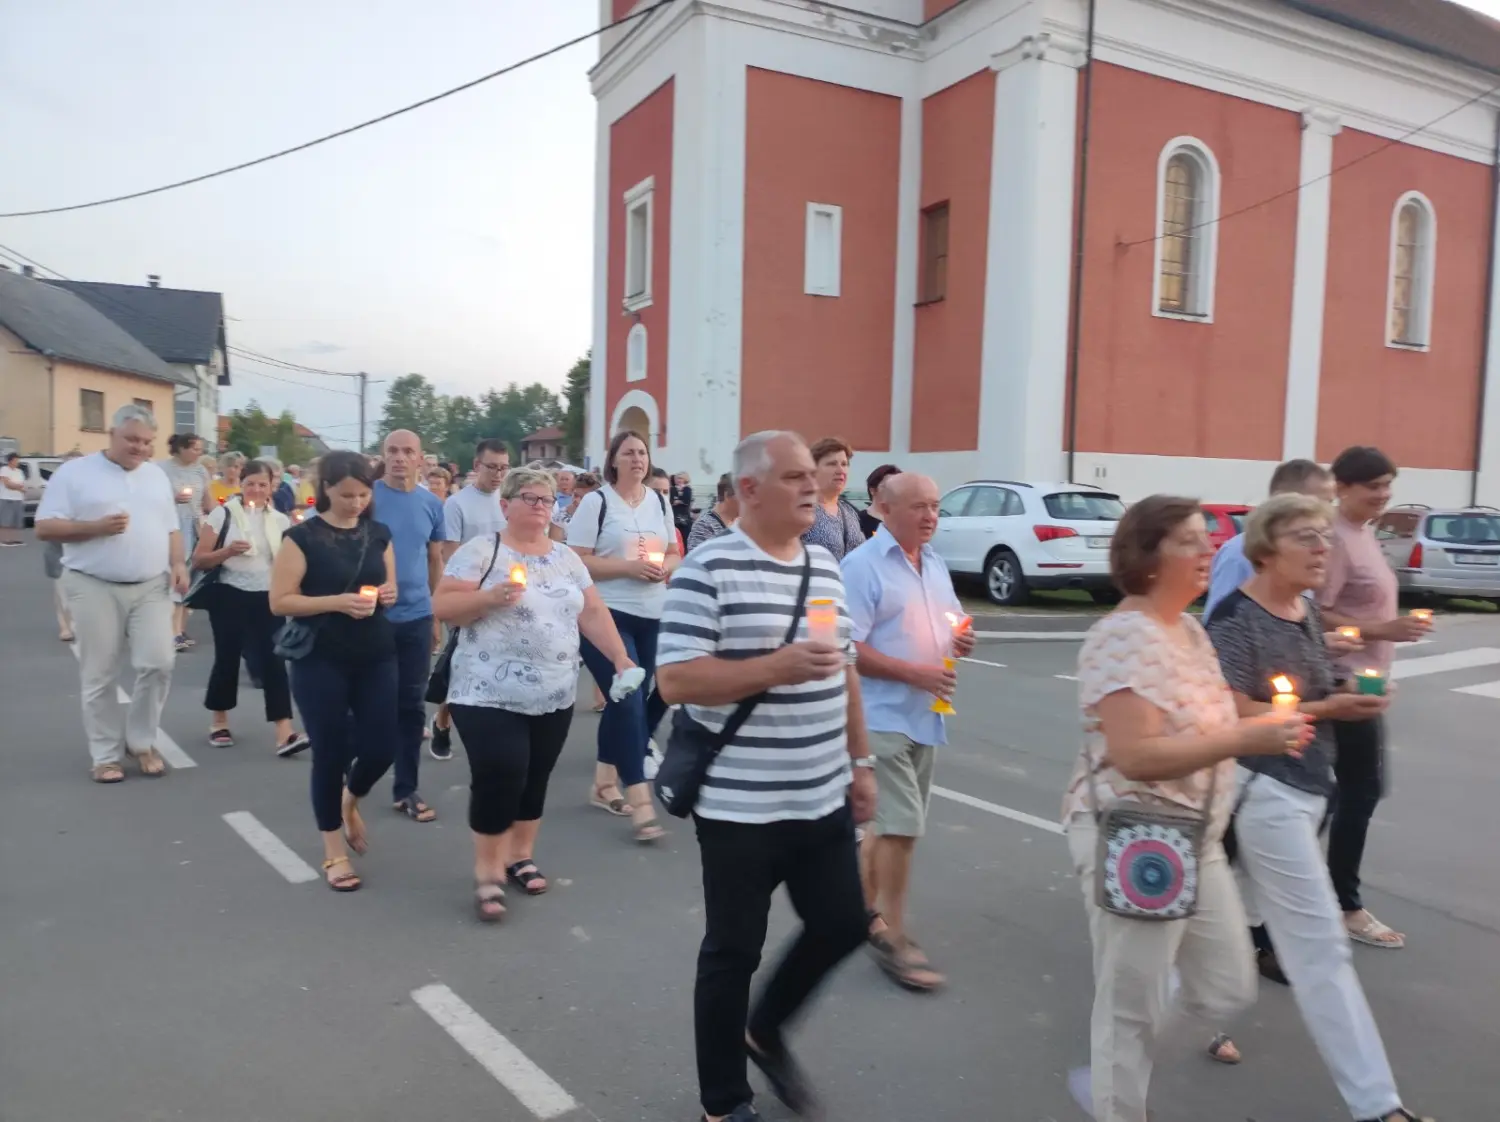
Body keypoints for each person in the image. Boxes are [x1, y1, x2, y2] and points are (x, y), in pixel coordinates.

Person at [1061, 495, 1309, 1122]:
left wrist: (1281, 720)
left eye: (1207, 539)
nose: (1208, 551)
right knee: (1131, 1005)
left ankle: (1112, 1073)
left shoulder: (1190, 629)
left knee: (1226, 981)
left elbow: (1217, 718)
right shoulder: (1121, 636)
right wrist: (1247, 739)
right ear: (1148, 556)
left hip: (1195, 837)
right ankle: (1118, 1097)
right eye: (1189, 542)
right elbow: (1136, 755)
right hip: (1136, 838)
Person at [657, 430, 877, 1122]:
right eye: (792, 477)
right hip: (739, 805)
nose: (812, 486)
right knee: (733, 952)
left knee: (844, 924)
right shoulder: (709, 567)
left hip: (820, 794)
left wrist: (860, 762)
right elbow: (675, 679)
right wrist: (772, 669)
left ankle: (765, 1025)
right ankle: (723, 1104)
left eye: (812, 474)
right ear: (749, 489)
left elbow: (843, 668)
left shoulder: (824, 567)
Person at [1206, 495, 1435, 1122]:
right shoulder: (1234, 617)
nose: (1321, 549)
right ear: (1265, 548)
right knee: (1319, 949)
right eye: (1305, 538)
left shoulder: (1302, 609)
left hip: (1306, 788)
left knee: (1219, 944)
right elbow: (1227, 710)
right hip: (1262, 789)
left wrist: (1348, 695)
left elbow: (1307, 685)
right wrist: (1324, 711)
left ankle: (1133, 1040)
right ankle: (1379, 1107)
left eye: (1323, 537)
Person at [433, 467, 639, 920]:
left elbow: (593, 611)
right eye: (530, 498)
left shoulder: (566, 557)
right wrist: (488, 599)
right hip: (485, 690)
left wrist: (620, 658)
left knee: (535, 775)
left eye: (547, 500)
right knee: (501, 770)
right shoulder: (482, 551)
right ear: (506, 506)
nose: (541, 506)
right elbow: (443, 604)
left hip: (554, 690)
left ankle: (519, 855)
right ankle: (488, 870)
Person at [841, 473, 974, 992]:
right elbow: (846, 648)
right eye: (918, 506)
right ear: (883, 508)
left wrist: (961, 637)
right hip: (881, 717)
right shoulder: (863, 567)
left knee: (886, 825)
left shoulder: (934, 562)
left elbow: (952, 619)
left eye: (936, 507)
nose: (930, 516)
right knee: (902, 829)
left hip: (928, 712)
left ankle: (857, 913)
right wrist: (913, 672)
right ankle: (894, 936)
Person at [35, 403, 190, 783]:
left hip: (151, 585)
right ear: (112, 434)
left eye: (147, 442)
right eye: (132, 439)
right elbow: (44, 527)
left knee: (158, 663)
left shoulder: (155, 477)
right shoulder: (75, 473)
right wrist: (95, 527)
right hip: (92, 584)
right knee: (100, 672)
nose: (139, 448)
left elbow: (170, 527)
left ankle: (141, 742)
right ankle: (105, 755)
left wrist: (178, 564)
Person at [270, 451, 399, 892]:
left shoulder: (378, 533)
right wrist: (337, 602)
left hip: (376, 651)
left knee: (383, 745)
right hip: (320, 657)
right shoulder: (301, 537)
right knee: (330, 752)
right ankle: (333, 850)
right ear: (325, 488)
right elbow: (280, 601)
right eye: (347, 494)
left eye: (364, 494)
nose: (356, 502)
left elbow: (390, 586)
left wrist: (386, 594)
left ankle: (351, 800)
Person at [1319, 446, 1429, 950]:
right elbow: (1314, 615)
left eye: (1388, 485)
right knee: (1356, 791)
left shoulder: (1365, 535)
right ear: (1342, 487)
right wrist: (1384, 628)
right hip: (1340, 679)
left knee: (1342, 792)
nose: (1383, 495)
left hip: (1365, 677)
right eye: (1374, 487)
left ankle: (1302, 888)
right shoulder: (1336, 539)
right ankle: (1344, 905)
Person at [567, 430, 677, 841]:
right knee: (628, 695)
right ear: (613, 460)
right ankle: (641, 800)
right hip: (606, 613)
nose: (637, 459)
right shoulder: (597, 503)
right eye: (629, 453)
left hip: (653, 611)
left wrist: (666, 566)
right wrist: (628, 569)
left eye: (643, 453)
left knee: (629, 697)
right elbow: (576, 560)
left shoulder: (659, 501)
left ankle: (602, 782)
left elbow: (674, 551)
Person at [193, 459, 309, 758]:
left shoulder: (280, 520)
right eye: (250, 484)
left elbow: (288, 562)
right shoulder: (223, 515)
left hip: (267, 597)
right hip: (229, 594)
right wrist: (227, 551)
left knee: (274, 662)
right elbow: (200, 559)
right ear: (241, 485)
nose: (256, 490)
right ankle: (219, 721)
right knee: (227, 658)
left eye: (262, 484)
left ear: (272, 487)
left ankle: (284, 731)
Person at [371, 429, 447, 823]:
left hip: (416, 615)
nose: (399, 458)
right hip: (369, 616)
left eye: (407, 452)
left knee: (411, 704)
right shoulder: (365, 497)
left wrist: (435, 613)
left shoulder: (432, 504)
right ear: (384, 456)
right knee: (367, 701)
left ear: (421, 459)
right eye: (392, 451)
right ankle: (353, 776)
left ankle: (406, 788)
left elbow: (435, 560)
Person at [431, 439, 512, 761]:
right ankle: (442, 721)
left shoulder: (510, 500)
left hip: (506, 595)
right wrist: (468, 597)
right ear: (477, 466)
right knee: (461, 665)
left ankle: (498, 732)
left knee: (501, 666)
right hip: (470, 594)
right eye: (492, 467)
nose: (498, 474)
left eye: (504, 468)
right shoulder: (457, 504)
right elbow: (449, 553)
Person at [1205, 458, 1333, 620]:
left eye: (1330, 503)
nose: (1325, 511)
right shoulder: (1238, 552)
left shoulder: (1307, 607)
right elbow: (1220, 620)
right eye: (1319, 501)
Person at [160, 434, 212, 650]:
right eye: (194, 449)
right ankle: (169, 632)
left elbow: (207, 501)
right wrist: (173, 499)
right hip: (170, 526)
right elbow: (153, 500)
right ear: (180, 448)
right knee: (170, 578)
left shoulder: (201, 470)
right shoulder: (161, 469)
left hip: (194, 525)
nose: (198, 453)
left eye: (201, 449)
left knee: (187, 581)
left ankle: (179, 630)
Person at [803, 436, 865, 560]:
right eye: (832, 464)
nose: (841, 470)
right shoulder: (803, 509)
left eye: (844, 464)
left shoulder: (850, 512)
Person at [687, 474, 739, 552]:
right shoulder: (704, 527)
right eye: (744, 496)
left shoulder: (740, 525)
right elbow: (698, 562)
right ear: (727, 495)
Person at [857, 463, 901, 540]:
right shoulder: (858, 521)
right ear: (872, 490)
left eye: (898, 486)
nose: (893, 490)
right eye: (888, 486)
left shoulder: (904, 522)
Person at [0, 451, 25, 546]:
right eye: (15, 460)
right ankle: (4, 540)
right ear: (10, 461)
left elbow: (22, 484)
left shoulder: (19, 471)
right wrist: (18, 487)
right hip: (7, 498)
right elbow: (7, 484)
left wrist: (17, 486)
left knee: (16, 520)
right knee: (5, 520)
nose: (17, 462)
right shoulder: (4, 469)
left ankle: (14, 539)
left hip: (18, 498)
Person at [670, 470, 695, 541]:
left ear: (685, 479)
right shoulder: (672, 489)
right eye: (677, 478)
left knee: (686, 538)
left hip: (685, 518)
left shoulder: (688, 489)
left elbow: (687, 501)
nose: (678, 480)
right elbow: (671, 501)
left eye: (681, 478)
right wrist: (680, 501)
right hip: (675, 517)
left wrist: (678, 500)